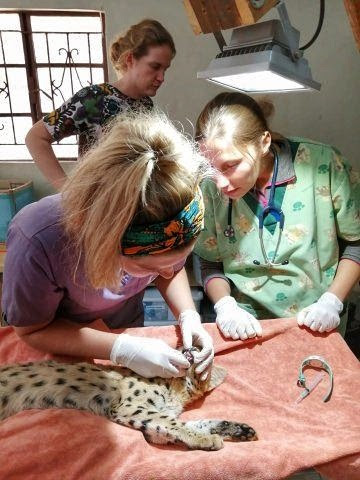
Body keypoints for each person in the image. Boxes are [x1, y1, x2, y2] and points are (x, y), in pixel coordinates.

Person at [2, 110, 214, 380]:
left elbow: (170, 269)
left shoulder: (163, 223)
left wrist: (188, 315)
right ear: (106, 244)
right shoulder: (37, 240)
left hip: (125, 326)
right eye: (150, 267)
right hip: (60, 352)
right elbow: (32, 330)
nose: (168, 272)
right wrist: (121, 349)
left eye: (175, 261)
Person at [194, 91, 360, 340]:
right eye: (210, 167)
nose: (220, 183)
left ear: (264, 142)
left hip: (316, 319)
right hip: (247, 327)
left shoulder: (323, 165)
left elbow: (356, 243)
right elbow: (210, 261)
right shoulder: (210, 188)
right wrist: (225, 306)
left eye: (230, 165)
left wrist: (332, 301)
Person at [25, 18, 176, 190]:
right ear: (130, 59)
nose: (161, 77)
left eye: (165, 69)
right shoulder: (93, 98)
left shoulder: (146, 105)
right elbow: (35, 138)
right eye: (155, 66)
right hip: (98, 210)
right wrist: (67, 192)